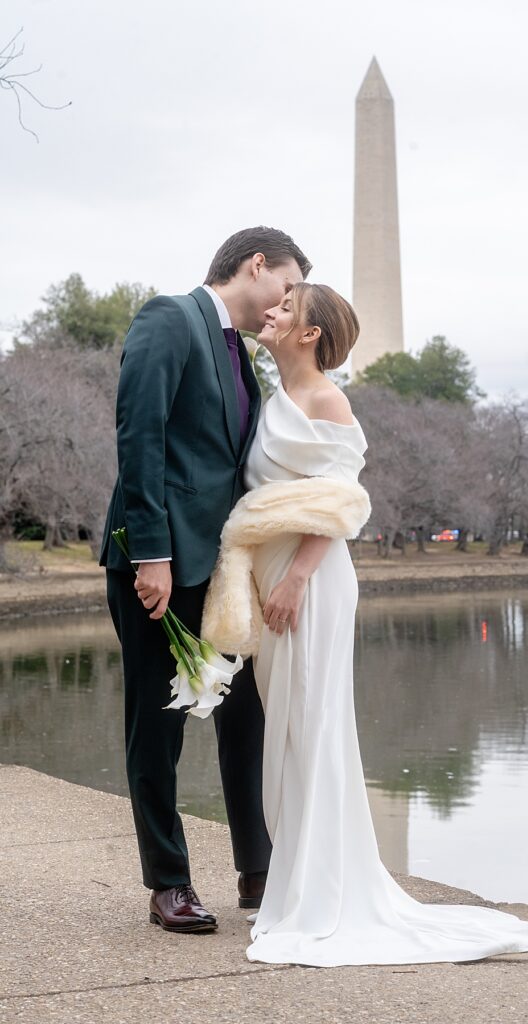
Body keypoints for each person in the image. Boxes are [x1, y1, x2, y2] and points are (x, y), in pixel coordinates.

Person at [203, 281, 528, 966]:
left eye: (285, 307)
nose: (270, 312)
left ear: (309, 333)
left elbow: (342, 503)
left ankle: (321, 895)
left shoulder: (325, 399)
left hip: (307, 584)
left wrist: (296, 580)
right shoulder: (273, 395)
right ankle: (296, 886)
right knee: (284, 737)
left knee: (311, 730)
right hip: (271, 580)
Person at [99, 226, 311, 932]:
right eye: (285, 285)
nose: (286, 302)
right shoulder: (171, 318)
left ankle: (257, 872)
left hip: (222, 571)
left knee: (243, 715)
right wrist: (152, 555)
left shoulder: (241, 357)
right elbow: (140, 435)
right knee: (157, 724)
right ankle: (169, 884)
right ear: (256, 265)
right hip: (158, 565)